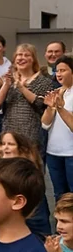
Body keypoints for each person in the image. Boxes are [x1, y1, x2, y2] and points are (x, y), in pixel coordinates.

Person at [0, 43, 52, 145]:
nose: (22, 58)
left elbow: (40, 104)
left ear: (33, 59)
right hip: (9, 134)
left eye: (26, 55)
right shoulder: (10, 80)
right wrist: (6, 85)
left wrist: (21, 87)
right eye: (19, 55)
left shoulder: (43, 81)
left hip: (30, 135)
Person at [43, 56, 73, 199]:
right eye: (57, 70)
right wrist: (50, 107)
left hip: (71, 153)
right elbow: (45, 124)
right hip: (53, 152)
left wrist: (60, 108)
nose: (59, 74)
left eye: (63, 70)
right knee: (59, 194)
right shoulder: (58, 91)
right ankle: (61, 221)